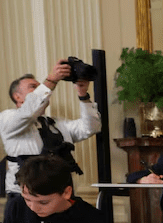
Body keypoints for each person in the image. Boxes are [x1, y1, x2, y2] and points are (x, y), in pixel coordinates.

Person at [2, 59, 101, 196]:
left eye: (41, 86)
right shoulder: (8, 118)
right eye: (33, 87)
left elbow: (91, 128)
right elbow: (28, 112)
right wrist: (51, 80)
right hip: (25, 197)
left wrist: (83, 95)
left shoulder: (57, 124)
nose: (43, 89)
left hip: (60, 196)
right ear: (17, 96)